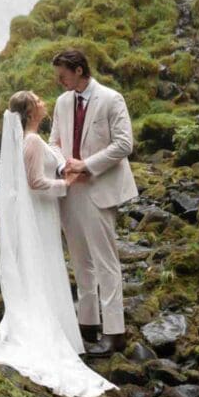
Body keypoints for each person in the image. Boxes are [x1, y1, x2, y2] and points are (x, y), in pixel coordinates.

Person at [0, 90, 113, 397]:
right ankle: (49, 328)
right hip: (40, 214)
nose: (43, 101)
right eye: (38, 100)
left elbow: (48, 158)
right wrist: (67, 184)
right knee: (46, 264)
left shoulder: (35, 140)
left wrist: (63, 159)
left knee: (46, 267)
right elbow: (35, 182)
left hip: (42, 214)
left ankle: (56, 323)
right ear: (31, 112)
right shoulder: (32, 142)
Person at [49, 47, 134, 356]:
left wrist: (88, 165)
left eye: (62, 74)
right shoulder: (61, 102)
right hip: (70, 189)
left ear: (79, 70)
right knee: (80, 259)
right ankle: (87, 324)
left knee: (106, 261)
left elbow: (125, 144)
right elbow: (54, 142)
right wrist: (63, 166)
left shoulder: (111, 99)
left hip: (99, 188)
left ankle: (115, 332)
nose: (58, 80)